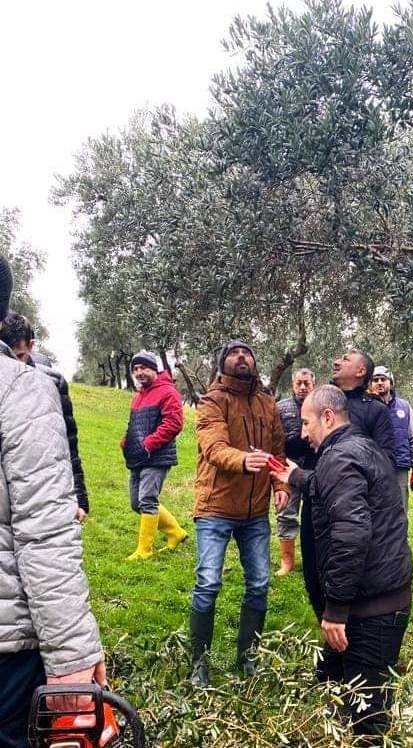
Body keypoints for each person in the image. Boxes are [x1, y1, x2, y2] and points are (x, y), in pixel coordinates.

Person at [0, 257, 105, 747]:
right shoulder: (19, 390)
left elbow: (70, 450)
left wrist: (79, 493)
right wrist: (71, 661)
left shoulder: (40, 386)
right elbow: (44, 531)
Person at [272, 385, 413, 738]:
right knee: (327, 676)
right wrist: (297, 477)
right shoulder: (361, 448)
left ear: (328, 417)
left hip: (371, 608)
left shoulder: (339, 457)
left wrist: (335, 610)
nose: (302, 435)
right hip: (382, 595)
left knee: (367, 716)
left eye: (306, 424)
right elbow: (332, 486)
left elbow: (351, 535)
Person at [190, 340, 289, 686]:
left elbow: (278, 448)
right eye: (234, 353)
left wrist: (280, 486)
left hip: (255, 513)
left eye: (247, 352)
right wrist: (243, 460)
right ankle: (198, 662)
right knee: (208, 583)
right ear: (223, 364)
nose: (242, 356)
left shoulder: (267, 403)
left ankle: (248, 657)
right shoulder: (212, 401)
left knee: (260, 583)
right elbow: (214, 448)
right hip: (215, 507)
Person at [0, 311, 89, 521]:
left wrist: (79, 499)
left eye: (19, 356)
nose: (14, 366)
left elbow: (68, 445)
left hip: (42, 487)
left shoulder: (52, 383)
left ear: (31, 346)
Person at [120, 351, 187, 560]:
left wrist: (148, 444)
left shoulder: (168, 392)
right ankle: (175, 532)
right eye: (136, 369)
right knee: (136, 502)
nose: (139, 373)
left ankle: (144, 550)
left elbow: (174, 424)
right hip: (138, 456)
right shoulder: (138, 396)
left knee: (147, 499)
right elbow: (134, 425)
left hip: (157, 456)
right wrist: (127, 441)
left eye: (143, 368)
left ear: (154, 369)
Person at [275, 367, 316, 576]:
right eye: (299, 383)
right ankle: (287, 562)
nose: (302, 387)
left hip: (314, 469)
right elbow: (275, 441)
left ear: (313, 385)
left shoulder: (320, 407)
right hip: (288, 469)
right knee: (286, 515)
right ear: (292, 384)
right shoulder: (281, 408)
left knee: (315, 515)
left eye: (306, 383)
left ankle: (314, 560)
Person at [370, 365, 413, 509]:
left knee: (400, 508)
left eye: (383, 379)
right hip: (373, 467)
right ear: (371, 384)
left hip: (399, 467)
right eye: (375, 380)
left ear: (391, 383)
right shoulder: (366, 406)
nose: (379, 382)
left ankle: (400, 532)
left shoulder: (404, 407)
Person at [330, 349, 395, 465]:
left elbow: (385, 460)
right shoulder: (322, 401)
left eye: (345, 359)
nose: (336, 362)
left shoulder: (377, 410)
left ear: (360, 371)